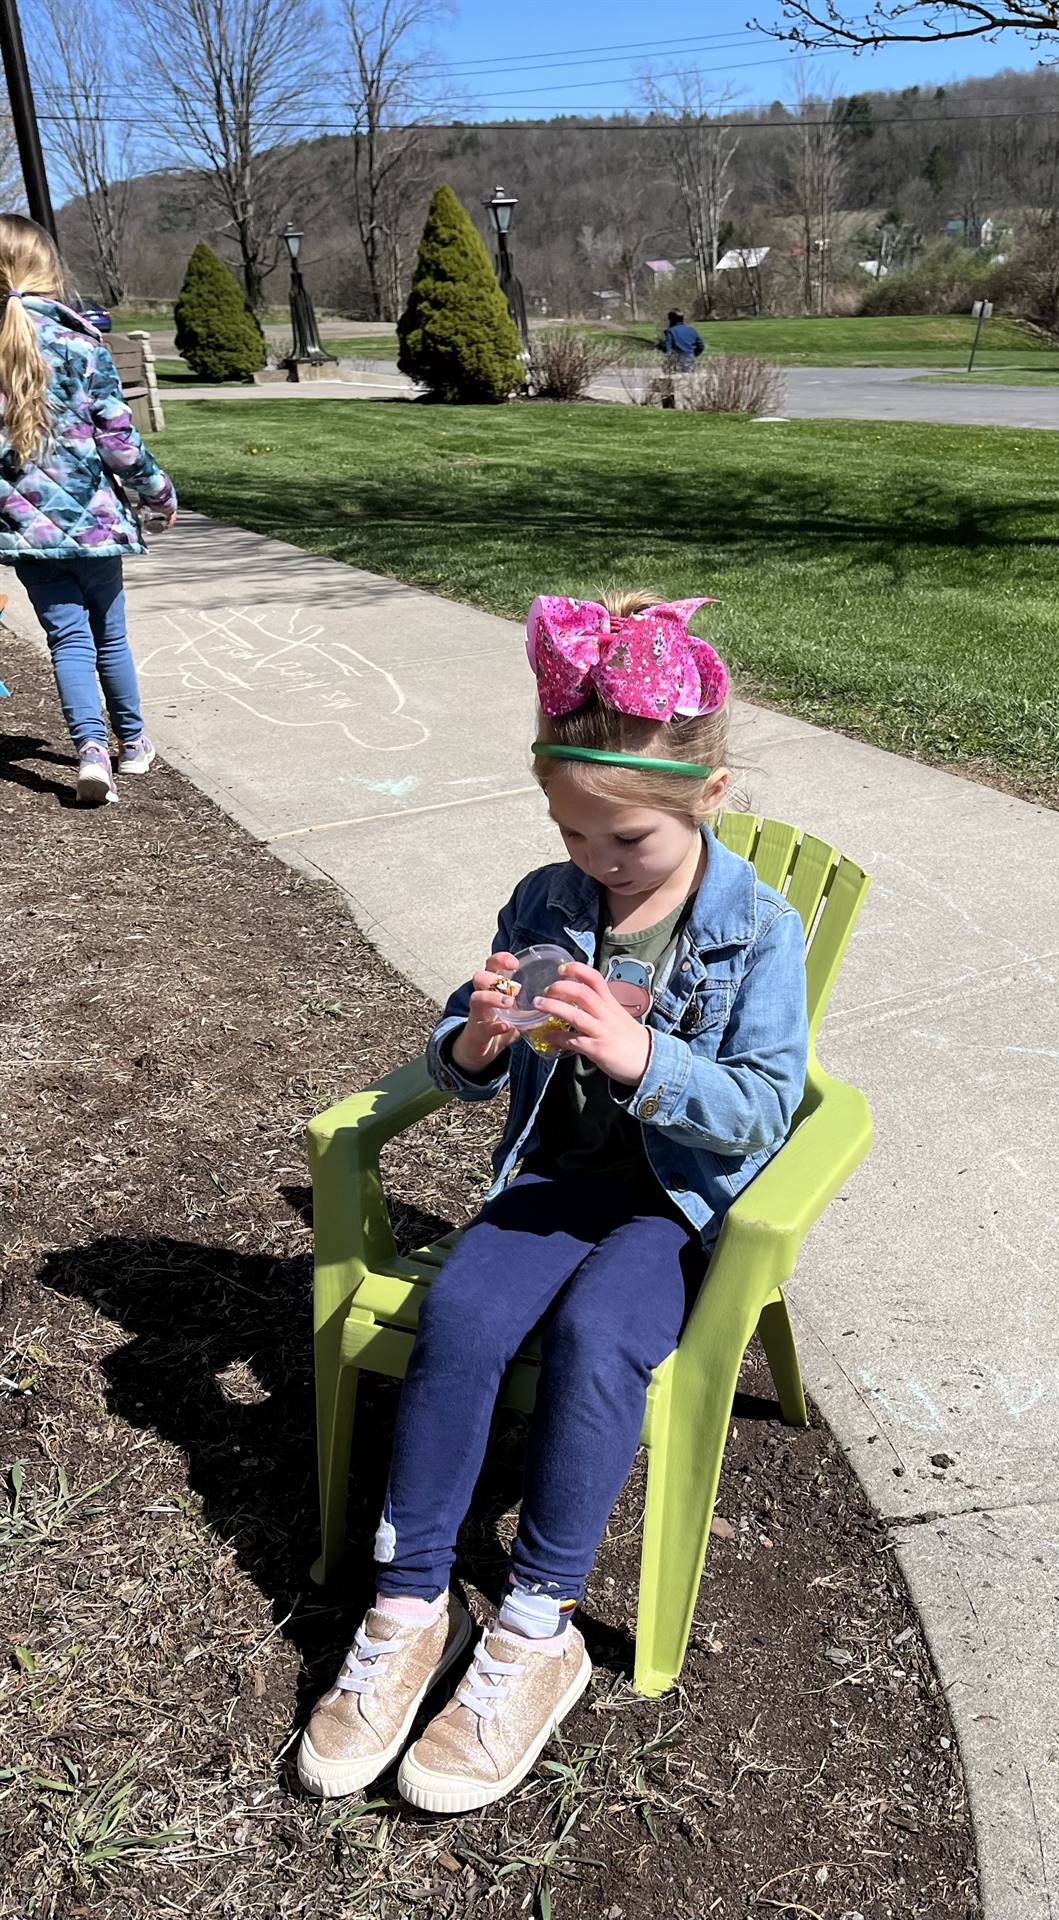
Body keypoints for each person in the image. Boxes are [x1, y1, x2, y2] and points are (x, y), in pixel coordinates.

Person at [297, 590, 809, 1814]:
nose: (593, 862)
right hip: (550, 1180)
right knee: (464, 1320)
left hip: (667, 1207)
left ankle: (537, 1629)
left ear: (708, 797)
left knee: (593, 1339)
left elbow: (760, 1110)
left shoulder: (755, 932)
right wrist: (472, 1045)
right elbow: (460, 1065)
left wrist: (643, 1062)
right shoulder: (544, 901)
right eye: (570, 833)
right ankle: (408, 1604)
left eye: (622, 840)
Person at [0, 214, 176, 806]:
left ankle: (90, 751)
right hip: (95, 526)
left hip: (27, 533)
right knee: (111, 635)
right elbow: (120, 446)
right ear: (48, 272)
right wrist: (159, 495)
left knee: (67, 640)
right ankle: (132, 744)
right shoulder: (83, 346)